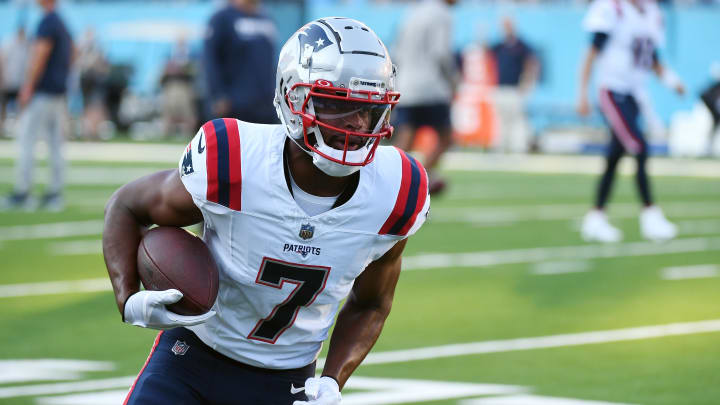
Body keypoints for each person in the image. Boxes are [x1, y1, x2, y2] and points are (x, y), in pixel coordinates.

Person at [103, 17, 429, 405]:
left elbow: (372, 301)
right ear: (293, 98)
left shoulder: (397, 190)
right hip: (190, 363)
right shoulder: (235, 159)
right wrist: (129, 299)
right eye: (335, 104)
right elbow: (126, 205)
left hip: (286, 384)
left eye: (366, 108)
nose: (357, 122)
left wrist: (332, 380)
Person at [577, 0, 685, 243]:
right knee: (639, 146)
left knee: (614, 157)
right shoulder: (612, 9)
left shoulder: (652, 13)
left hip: (634, 95)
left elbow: (652, 57)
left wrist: (671, 81)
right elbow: (591, 53)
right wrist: (582, 93)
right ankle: (650, 215)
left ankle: (595, 218)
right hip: (612, 91)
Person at [2, 0, 73, 211]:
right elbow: (72, 53)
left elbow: (40, 55)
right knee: (54, 144)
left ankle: (23, 191)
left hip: (43, 93)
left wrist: (27, 86)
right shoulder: (61, 22)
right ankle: (54, 192)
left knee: (27, 139)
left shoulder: (48, 22)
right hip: (57, 92)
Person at [391, 0, 458, 195]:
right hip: (431, 87)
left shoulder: (412, 12)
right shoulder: (442, 14)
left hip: (407, 84)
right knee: (446, 138)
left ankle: (393, 185)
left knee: (406, 139)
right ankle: (421, 183)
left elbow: (396, 51)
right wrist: (454, 82)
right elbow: (441, 53)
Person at [203, 0, 278, 124]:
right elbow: (210, 60)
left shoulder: (267, 20)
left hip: (265, 105)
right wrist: (218, 95)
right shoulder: (221, 18)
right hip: (234, 105)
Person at [489, 16, 539, 154]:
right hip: (500, 87)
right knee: (500, 120)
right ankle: (500, 148)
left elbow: (532, 63)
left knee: (517, 120)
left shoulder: (521, 45)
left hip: (515, 88)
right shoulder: (499, 45)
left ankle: (519, 149)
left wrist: (527, 82)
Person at [1, 27, 31, 135]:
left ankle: (21, 128)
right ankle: (2, 129)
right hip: (8, 82)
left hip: (20, 83)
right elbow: (2, 61)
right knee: (4, 106)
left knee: (22, 106)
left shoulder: (26, 45)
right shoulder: (8, 44)